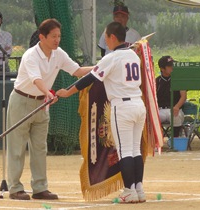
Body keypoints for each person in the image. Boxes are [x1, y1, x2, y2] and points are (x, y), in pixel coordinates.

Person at [56, 22, 146, 204]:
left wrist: (67, 92)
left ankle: (129, 190)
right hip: (138, 104)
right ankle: (138, 188)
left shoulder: (112, 57)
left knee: (125, 150)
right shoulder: (133, 56)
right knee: (135, 149)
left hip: (123, 106)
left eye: (106, 37)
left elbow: (89, 79)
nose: (105, 41)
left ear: (113, 37)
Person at [6, 18, 94, 200]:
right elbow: (35, 79)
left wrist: (102, 66)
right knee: (17, 147)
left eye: (59, 36)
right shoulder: (30, 55)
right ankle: (15, 188)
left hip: (42, 104)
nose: (57, 40)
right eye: (53, 36)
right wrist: (48, 92)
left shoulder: (59, 53)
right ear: (42, 37)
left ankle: (39, 188)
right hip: (21, 101)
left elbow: (77, 71)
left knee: (39, 147)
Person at [156, 56, 187, 137]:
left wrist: (177, 107)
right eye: (169, 66)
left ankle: (175, 140)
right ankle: (157, 143)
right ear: (162, 69)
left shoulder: (178, 80)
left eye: (173, 65)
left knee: (176, 116)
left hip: (175, 108)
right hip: (160, 110)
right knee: (152, 118)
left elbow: (183, 96)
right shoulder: (156, 81)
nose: (172, 68)